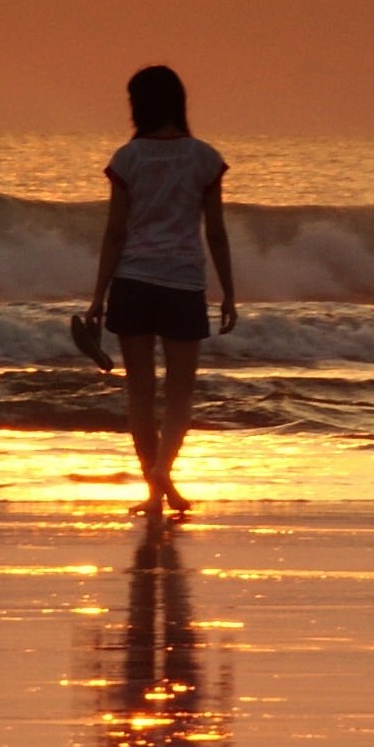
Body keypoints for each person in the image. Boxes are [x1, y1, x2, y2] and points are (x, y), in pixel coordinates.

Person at [79, 64, 237, 517]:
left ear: (140, 105)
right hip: (183, 281)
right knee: (181, 392)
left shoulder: (128, 159)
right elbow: (217, 233)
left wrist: (98, 295)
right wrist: (228, 292)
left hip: (132, 280)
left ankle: (154, 489)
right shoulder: (205, 158)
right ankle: (162, 475)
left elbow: (114, 233)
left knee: (141, 393)